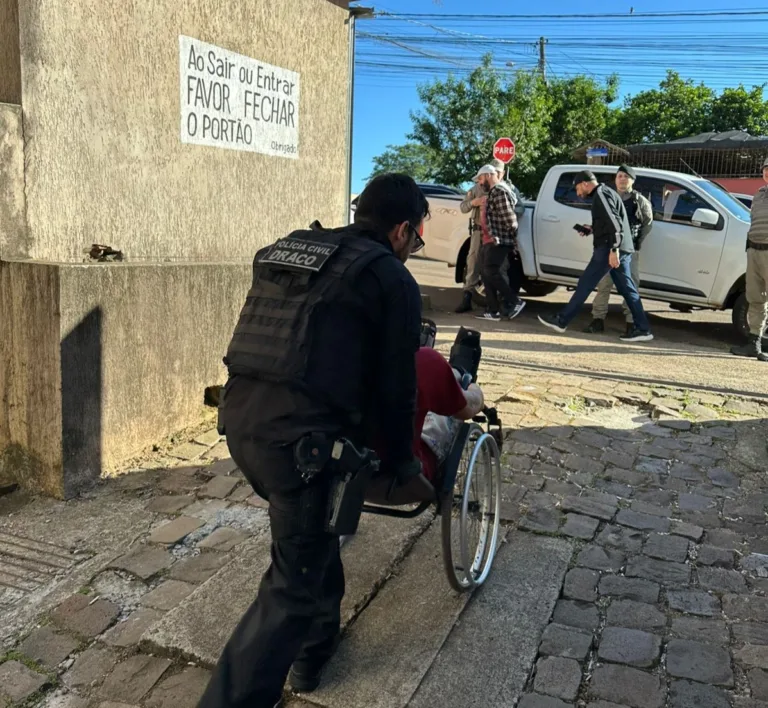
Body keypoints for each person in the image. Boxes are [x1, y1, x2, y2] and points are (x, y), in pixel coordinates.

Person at [197, 173, 430, 708]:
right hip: (301, 449)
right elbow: (398, 391)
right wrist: (401, 465)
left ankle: (312, 656)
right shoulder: (391, 280)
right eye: (416, 239)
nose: (414, 249)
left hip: (243, 424)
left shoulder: (291, 248)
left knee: (312, 538)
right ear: (400, 230)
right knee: (291, 589)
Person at [537, 170, 654, 342]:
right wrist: (592, 229)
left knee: (585, 283)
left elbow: (615, 222)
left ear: (585, 183)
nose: (578, 193)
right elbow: (609, 221)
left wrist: (614, 249)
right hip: (621, 249)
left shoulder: (601, 194)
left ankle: (562, 320)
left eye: (577, 189)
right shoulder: (606, 193)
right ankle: (643, 329)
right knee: (628, 290)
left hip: (609, 249)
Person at [584, 164, 654, 336]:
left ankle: (632, 323)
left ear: (632, 179)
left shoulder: (640, 201)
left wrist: (635, 243)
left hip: (629, 252)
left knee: (630, 287)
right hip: (609, 250)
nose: (622, 178)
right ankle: (597, 320)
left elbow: (647, 224)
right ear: (615, 179)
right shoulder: (608, 198)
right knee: (604, 285)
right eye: (619, 176)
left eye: (626, 176)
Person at [474, 165, 527, 322]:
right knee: (485, 272)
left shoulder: (499, 191)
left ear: (489, 175)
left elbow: (510, 219)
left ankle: (515, 300)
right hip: (490, 238)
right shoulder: (494, 191)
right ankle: (493, 310)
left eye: (481, 178)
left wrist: (512, 240)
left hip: (499, 239)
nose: (479, 182)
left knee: (491, 271)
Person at [731, 156, 768, 362]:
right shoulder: (759, 194)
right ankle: (754, 343)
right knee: (756, 298)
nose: (767, 172)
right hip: (754, 251)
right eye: (765, 168)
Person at [455, 171, 489, 313]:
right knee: (472, 262)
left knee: (498, 265)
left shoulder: (504, 189)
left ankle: (499, 302)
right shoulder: (474, 190)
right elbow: (463, 207)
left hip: (495, 232)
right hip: (477, 230)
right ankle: (467, 297)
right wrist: (474, 202)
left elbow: (519, 208)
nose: (481, 182)